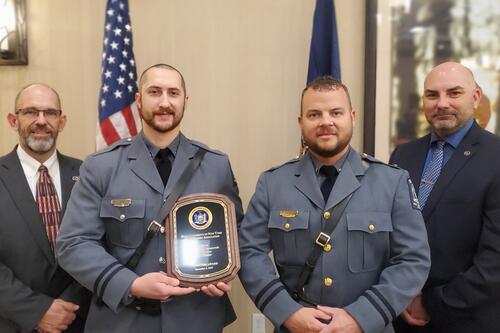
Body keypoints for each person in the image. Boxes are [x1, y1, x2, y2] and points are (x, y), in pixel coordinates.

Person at [56, 64, 243, 332]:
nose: (165, 102)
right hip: (123, 319)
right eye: (155, 92)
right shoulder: (101, 166)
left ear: (185, 102)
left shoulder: (216, 165)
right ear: (139, 100)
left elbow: (235, 234)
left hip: (196, 319)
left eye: (173, 93)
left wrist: (223, 272)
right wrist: (129, 284)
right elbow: (73, 244)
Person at [238, 76, 431, 333]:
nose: (326, 122)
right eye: (314, 114)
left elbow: (413, 260)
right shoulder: (273, 183)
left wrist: (361, 317)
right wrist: (287, 312)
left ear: (352, 116)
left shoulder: (391, 181)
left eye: (336, 112)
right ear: (301, 122)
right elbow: (249, 252)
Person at [390, 62, 500, 333]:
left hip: (467, 320)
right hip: (400, 315)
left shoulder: (496, 156)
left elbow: (495, 261)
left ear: (475, 97)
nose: (442, 103)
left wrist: (431, 303)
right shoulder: (402, 156)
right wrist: (395, 295)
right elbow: (390, 234)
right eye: (432, 95)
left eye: (454, 93)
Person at [0, 83, 89, 333]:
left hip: (78, 321)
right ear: (12, 120)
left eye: (50, 113)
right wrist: (38, 311)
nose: (41, 120)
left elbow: (102, 245)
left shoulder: (88, 174)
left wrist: (69, 305)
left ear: (62, 121)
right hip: (12, 322)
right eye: (30, 112)